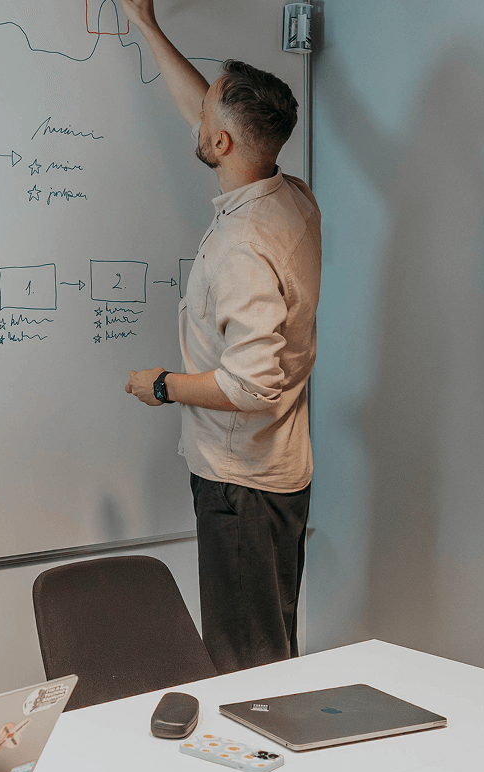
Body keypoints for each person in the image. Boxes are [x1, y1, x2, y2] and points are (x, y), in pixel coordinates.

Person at [117, 0, 321, 673]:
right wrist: (147, 24)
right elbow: (203, 112)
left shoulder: (243, 247)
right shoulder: (289, 194)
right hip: (273, 475)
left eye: (207, 121)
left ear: (223, 144)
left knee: (244, 662)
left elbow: (250, 385)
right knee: (269, 645)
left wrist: (163, 386)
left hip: (243, 485)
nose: (197, 121)